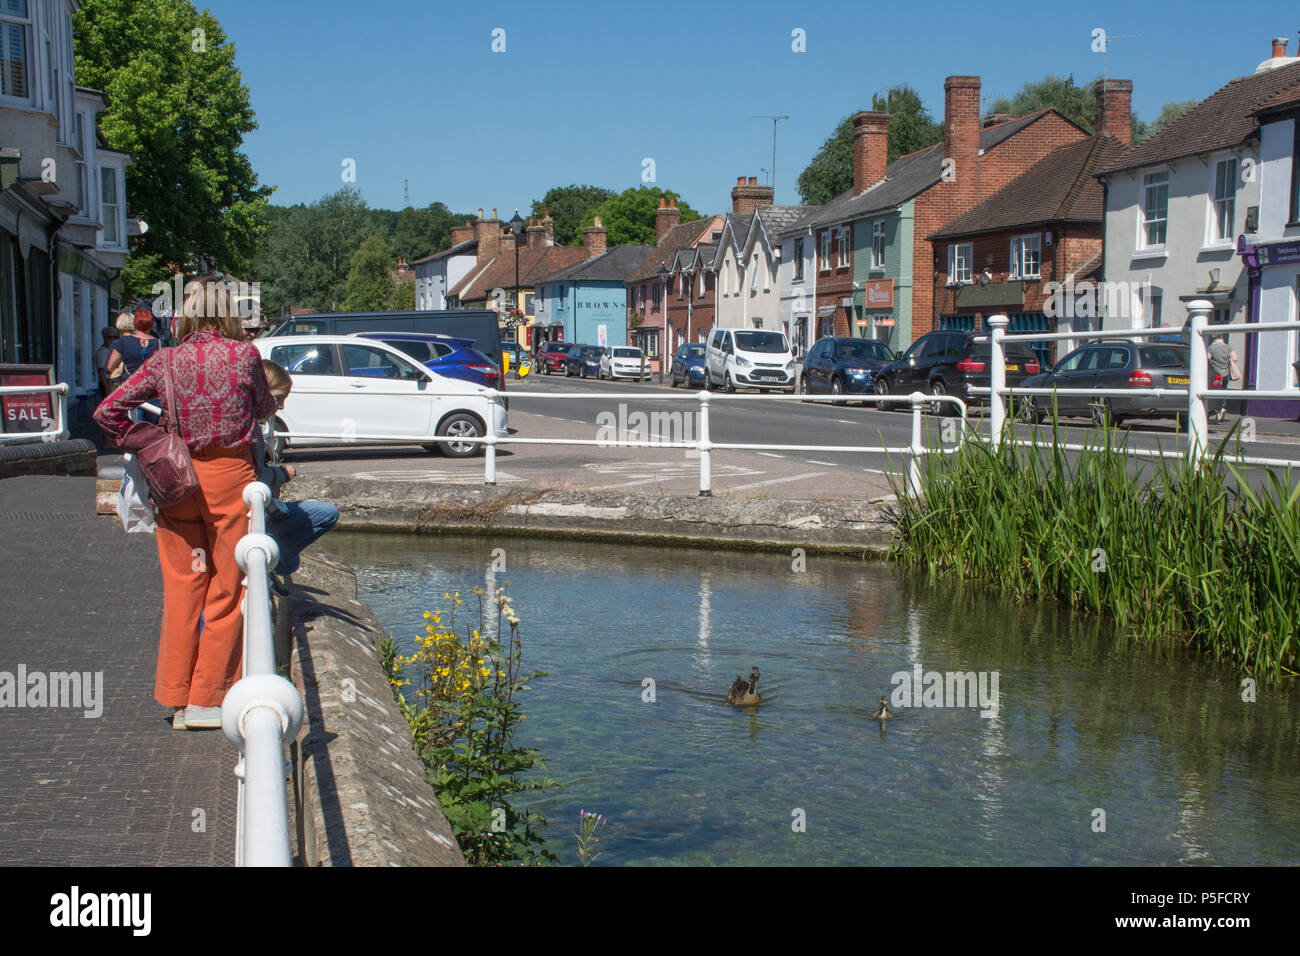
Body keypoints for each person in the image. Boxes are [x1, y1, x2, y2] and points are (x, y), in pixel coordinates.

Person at [94, 277, 276, 731]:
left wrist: (148, 439)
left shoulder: (164, 359)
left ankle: (177, 698)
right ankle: (207, 699)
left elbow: (107, 412)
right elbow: (264, 408)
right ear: (229, 313)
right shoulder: (245, 355)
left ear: (186, 313)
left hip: (177, 479)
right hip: (230, 479)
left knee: (183, 588)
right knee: (228, 586)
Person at [256, 360, 339, 594]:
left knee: (327, 512)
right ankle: (275, 561)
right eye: (278, 397)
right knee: (292, 561)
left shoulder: (255, 426)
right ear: (262, 391)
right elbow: (255, 476)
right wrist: (282, 473)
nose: (281, 406)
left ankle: (277, 558)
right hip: (258, 513)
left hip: (267, 508)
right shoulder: (250, 428)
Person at [1208, 333, 1232, 423]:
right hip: (1225, 373)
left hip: (1215, 375)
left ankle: (1215, 410)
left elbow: (1208, 359)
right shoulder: (1228, 347)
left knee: (1214, 392)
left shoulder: (1211, 348)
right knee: (1223, 391)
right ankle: (1222, 408)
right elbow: (1235, 358)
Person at [95, 326, 120, 399]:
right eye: (109, 337)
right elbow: (101, 372)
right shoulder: (102, 352)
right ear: (104, 338)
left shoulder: (113, 350)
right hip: (108, 384)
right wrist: (107, 391)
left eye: (114, 337)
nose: (112, 339)